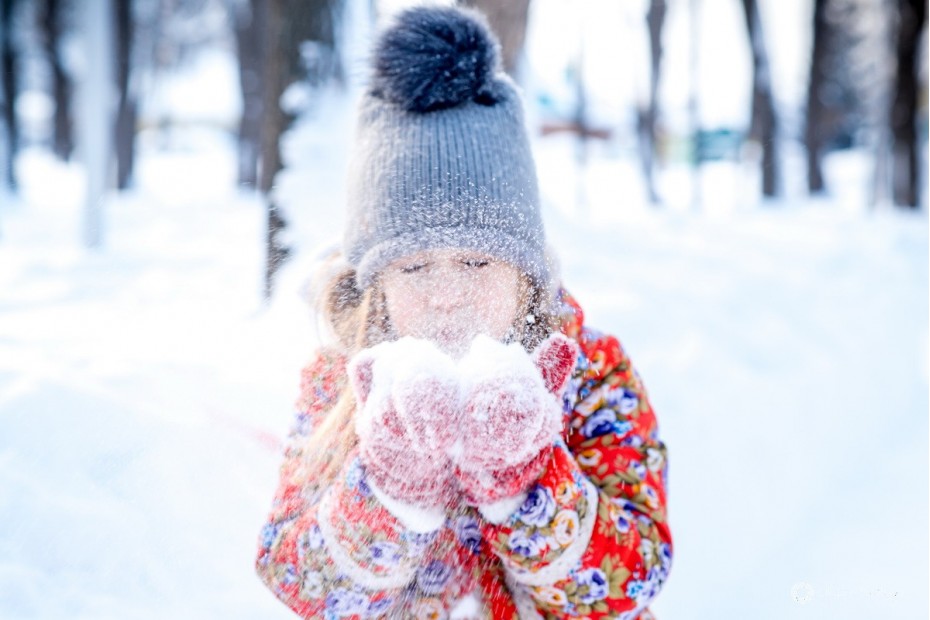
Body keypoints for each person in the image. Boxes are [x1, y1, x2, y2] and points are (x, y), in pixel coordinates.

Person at [255, 6, 672, 619]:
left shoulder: (590, 371)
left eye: (477, 264)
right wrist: (390, 492)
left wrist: (527, 484)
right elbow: (297, 579)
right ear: (375, 281)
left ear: (526, 272)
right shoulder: (342, 383)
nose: (446, 294)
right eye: (414, 267)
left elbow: (633, 577)